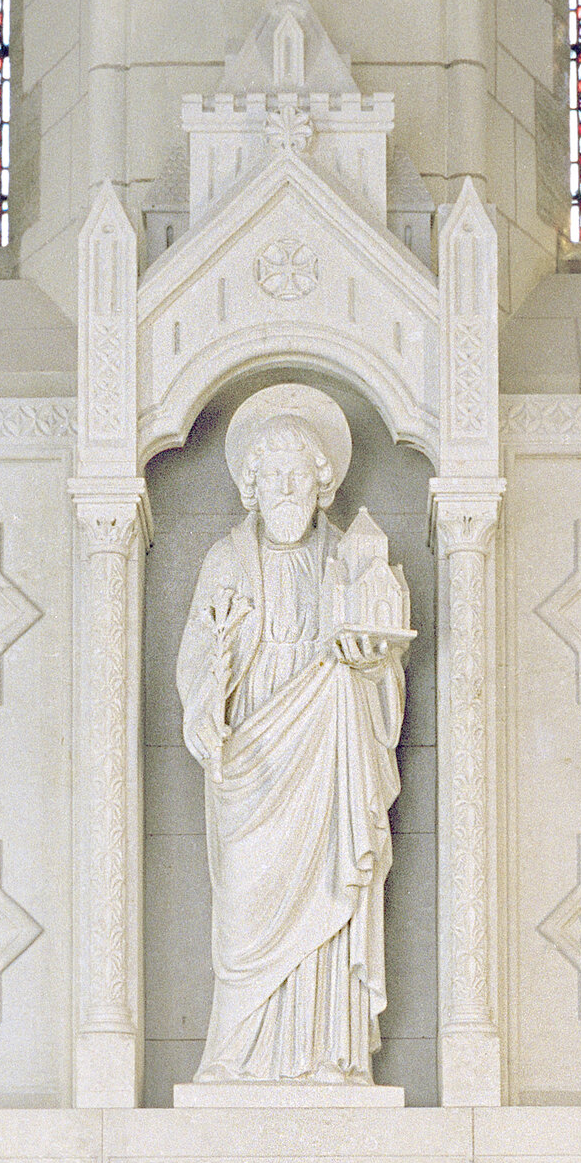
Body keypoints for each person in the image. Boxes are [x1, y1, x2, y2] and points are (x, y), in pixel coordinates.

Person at [174, 386, 412, 1088]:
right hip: (253, 756)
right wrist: (210, 685)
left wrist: (369, 669)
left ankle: (326, 1056)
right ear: (251, 486)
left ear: (321, 482)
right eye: (269, 475)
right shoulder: (226, 558)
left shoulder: (351, 558)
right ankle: (236, 1053)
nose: (283, 488)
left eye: (295, 474)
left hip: (330, 752)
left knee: (328, 893)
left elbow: (381, 663)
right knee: (245, 902)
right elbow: (195, 653)